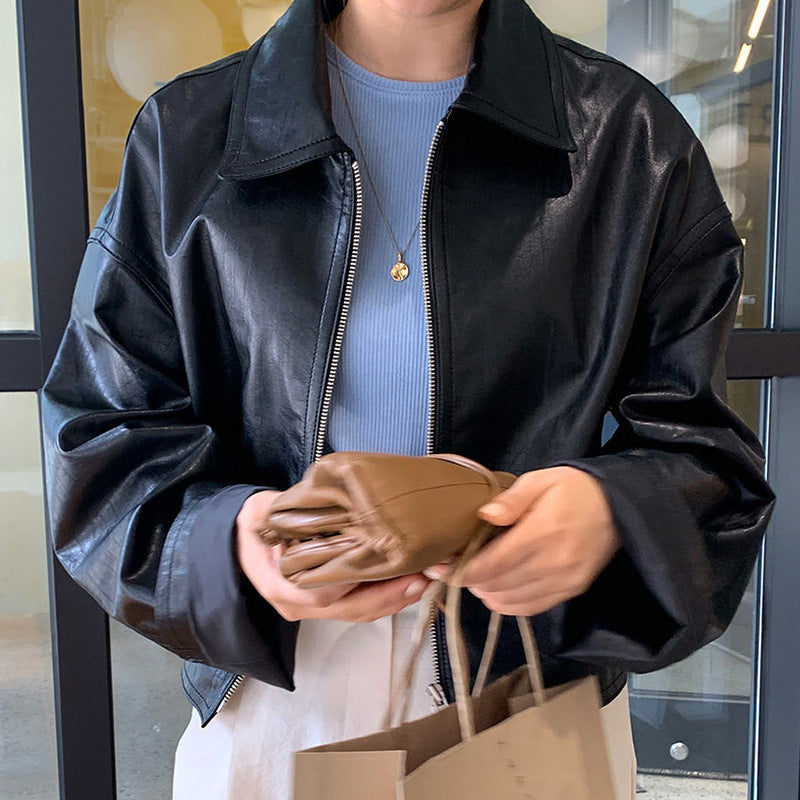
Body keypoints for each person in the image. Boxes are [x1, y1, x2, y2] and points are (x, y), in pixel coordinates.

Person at [40, 0, 775, 796]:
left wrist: (609, 514)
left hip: (528, 696)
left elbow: (706, 457)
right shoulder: (190, 135)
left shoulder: (631, 141)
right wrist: (233, 544)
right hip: (280, 690)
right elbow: (101, 438)